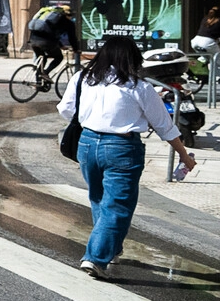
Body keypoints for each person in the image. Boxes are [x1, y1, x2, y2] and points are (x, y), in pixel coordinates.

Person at [58, 33, 196, 279]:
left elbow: (66, 109)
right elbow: (164, 125)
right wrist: (184, 155)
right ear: (132, 58)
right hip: (122, 148)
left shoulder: (82, 78)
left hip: (87, 143)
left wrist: (93, 122)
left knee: (100, 198)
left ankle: (111, 249)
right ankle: (95, 258)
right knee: (118, 205)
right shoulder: (138, 87)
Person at [29, 2, 80, 74]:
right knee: (59, 57)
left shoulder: (50, 19)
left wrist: (61, 46)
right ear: (67, 15)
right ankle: (46, 73)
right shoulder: (68, 23)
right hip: (45, 42)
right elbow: (72, 37)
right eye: (70, 15)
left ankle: (39, 81)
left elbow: (51, 33)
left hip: (33, 40)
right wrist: (76, 49)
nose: (71, 17)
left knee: (42, 58)